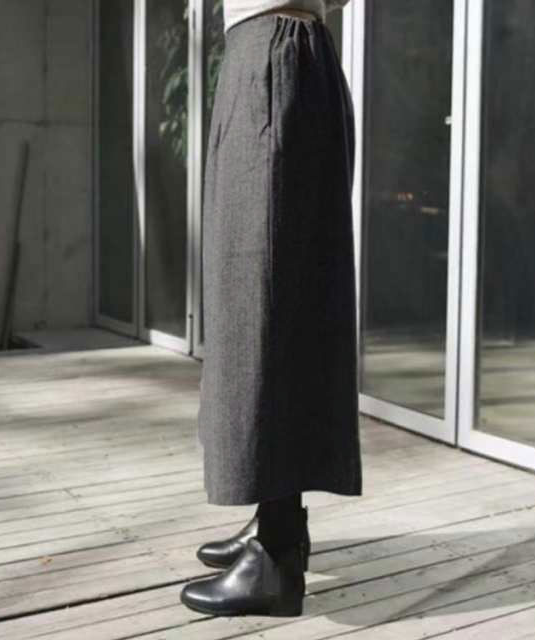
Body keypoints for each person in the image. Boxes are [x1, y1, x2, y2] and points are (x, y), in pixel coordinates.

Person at [181, 0, 361, 617]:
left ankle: (277, 559)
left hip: (274, 53)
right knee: (270, 298)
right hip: (273, 54)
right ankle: (277, 520)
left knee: (268, 300)